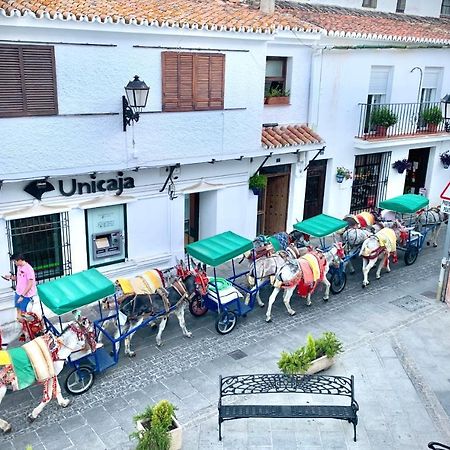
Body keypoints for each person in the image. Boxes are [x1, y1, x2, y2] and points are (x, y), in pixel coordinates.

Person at [3, 254, 37, 321]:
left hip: (26, 295)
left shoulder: (29, 269)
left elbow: (30, 284)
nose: (15, 263)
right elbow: (19, 278)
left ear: (20, 260)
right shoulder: (19, 267)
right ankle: (23, 327)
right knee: (18, 312)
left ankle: (28, 329)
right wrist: (10, 277)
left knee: (25, 314)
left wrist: (22, 296)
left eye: (15, 262)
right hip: (18, 292)